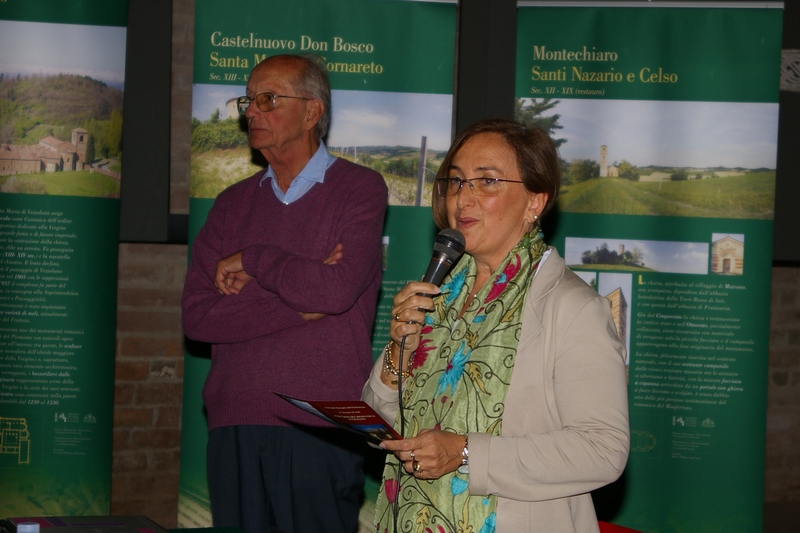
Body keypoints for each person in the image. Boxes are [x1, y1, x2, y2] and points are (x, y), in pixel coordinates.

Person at [362, 119, 629, 532]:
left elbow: (602, 449)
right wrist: (398, 347)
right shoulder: (439, 292)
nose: (462, 199)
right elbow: (383, 421)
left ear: (535, 202)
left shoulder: (571, 307)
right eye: (455, 182)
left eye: (486, 182)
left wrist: (466, 452)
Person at [182, 54, 388, 533]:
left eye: (268, 99)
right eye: (247, 101)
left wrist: (255, 260)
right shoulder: (231, 204)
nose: (250, 111)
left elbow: (335, 292)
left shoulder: (359, 189)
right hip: (235, 419)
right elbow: (198, 317)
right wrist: (298, 308)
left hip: (321, 425)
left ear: (312, 112)